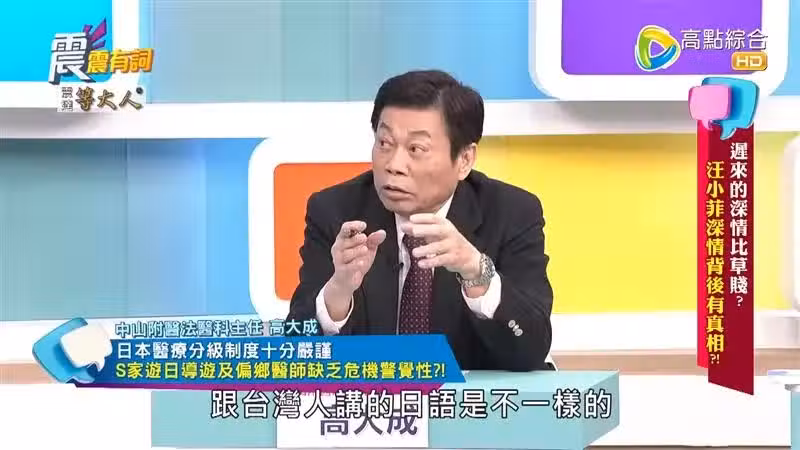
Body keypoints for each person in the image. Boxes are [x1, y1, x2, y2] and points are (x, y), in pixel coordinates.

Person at [286, 70, 553, 371]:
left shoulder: (511, 213)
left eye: (416, 149)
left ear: (464, 159)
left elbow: (531, 348)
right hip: (374, 399)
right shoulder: (336, 212)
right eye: (384, 143)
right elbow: (298, 349)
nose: (394, 165)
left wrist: (476, 271)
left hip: (470, 400)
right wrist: (338, 291)